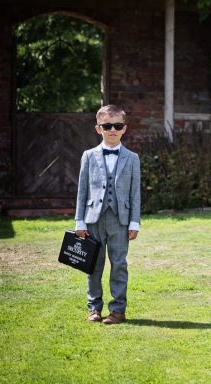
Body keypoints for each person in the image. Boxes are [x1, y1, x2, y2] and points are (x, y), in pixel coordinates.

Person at [74, 105, 141, 325]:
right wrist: (79, 220)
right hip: (93, 219)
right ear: (98, 128)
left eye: (117, 125)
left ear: (124, 128)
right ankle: (94, 308)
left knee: (119, 264)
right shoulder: (88, 156)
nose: (112, 129)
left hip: (120, 221)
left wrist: (134, 222)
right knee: (93, 264)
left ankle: (118, 310)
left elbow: (135, 193)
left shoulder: (132, 158)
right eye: (107, 125)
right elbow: (82, 191)